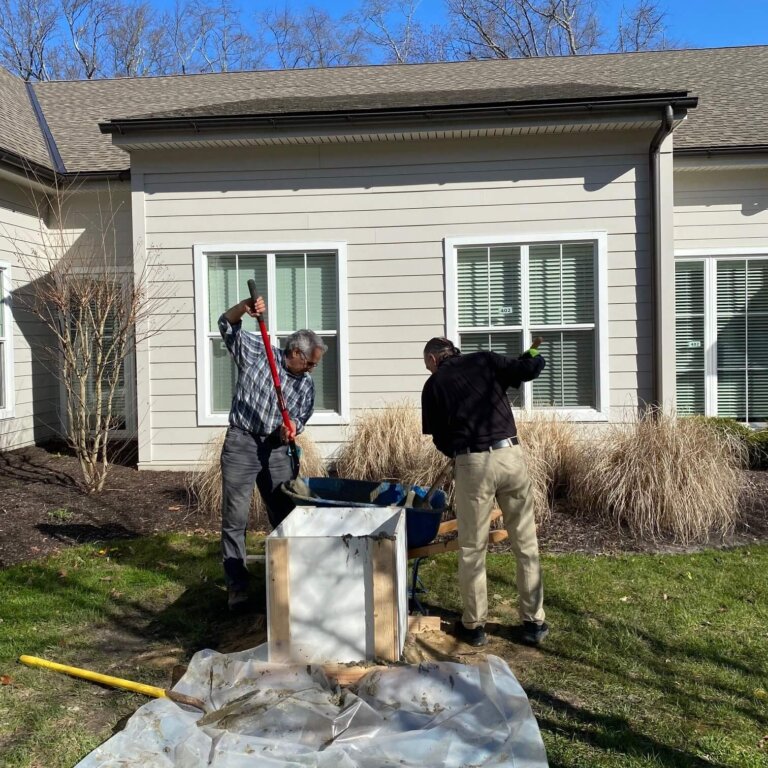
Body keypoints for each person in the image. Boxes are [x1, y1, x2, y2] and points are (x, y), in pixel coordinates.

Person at [421, 337, 549, 647]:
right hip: (511, 457)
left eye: (427, 365)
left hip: (473, 465)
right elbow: (528, 368)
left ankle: (474, 626)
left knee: (472, 547)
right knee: (526, 543)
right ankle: (534, 623)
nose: (428, 370)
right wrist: (533, 353)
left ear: (435, 360)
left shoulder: (434, 384)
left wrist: (460, 454)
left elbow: (439, 437)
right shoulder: (485, 360)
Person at [218, 294, 326, 610]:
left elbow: (300, 417)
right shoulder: (257, 354)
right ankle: (237, 585)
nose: (312, 370)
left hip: (277, 450)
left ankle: (288, 578)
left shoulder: (305, 385)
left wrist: (290, 429)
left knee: (284, 513)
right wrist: (243, 308)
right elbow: (227, 324)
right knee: (235, 517)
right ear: (294, 353)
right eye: (310, 363)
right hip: (242, 442)